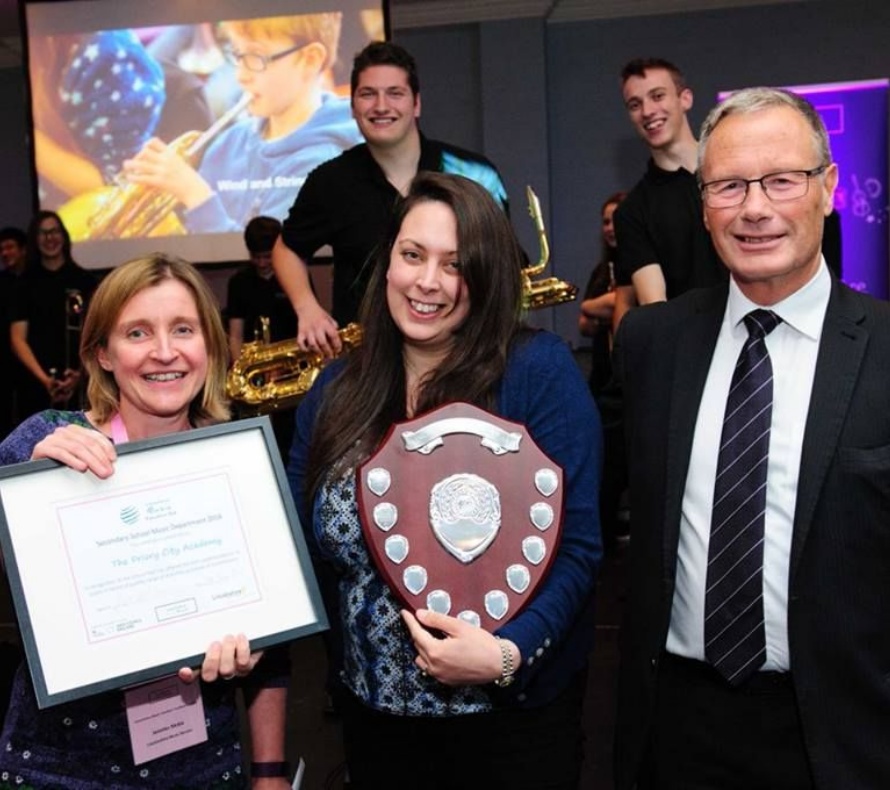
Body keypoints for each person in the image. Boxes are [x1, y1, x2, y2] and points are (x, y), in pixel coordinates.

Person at [613, 87, 890, 789]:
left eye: (782, 180)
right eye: (730, 185)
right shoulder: (651, 345)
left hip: (846, 737)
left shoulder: (885, 350)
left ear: (828, 187)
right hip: (677, 730)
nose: (755, 208)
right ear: (704, 205)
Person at [288, 172, 601, 788]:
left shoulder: (536, 373)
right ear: (388, 263)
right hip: (373, 725)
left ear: (486, 277)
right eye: (412, 255)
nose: (427, 281)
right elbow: (294, 541)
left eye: (455, 264)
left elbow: (579, 548)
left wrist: (509, 653)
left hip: (511, 728)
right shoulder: (335, 390)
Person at [0, 254, 288, 789]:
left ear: (210, 346)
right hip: (59, 769)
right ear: (102, 353)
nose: (164, 351)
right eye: (137, 332)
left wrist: (269, 772)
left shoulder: (241, 466)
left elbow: (277, 643)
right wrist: (32, 493)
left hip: (203, 767)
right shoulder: (44, 442)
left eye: (183, 329)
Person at [272, 41, 509, 358]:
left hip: (461, 355)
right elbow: (287, 249)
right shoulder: (329, 181)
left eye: (395, 93)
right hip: (366, 360)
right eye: (368, 94)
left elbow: (504, 266)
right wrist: (307, 309)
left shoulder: (475, 174)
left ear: (416, 104)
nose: (381, 106)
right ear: (352, 107)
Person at [123, 12, 363, 234]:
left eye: (256, 57)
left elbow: (271, 257)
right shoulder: (227, 144)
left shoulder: (322, 167)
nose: (241, 76)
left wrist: (194, 194)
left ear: (310, 60)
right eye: (237, 55)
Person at [611, 57, 725, 330]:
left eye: (657, 96)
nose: (647, 111)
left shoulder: (734, 172)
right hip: (694, 342)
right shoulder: (632, 212)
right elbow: (656, 307)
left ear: (685, 99)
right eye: (635, 105)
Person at [9, 211, 98, 419]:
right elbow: (17, 339)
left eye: (55, 231)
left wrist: (80, 374)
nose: (50, 238)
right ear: (35, 239)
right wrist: (45, 380)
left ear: (64, 236)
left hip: (80, 384)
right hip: (35, 386)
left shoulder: (85, 281)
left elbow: (96, 334)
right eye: (43, 233)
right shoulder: (23, 284)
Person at [227, 215, 297, 457]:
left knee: (289, 437)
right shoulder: (239, 282)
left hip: (289, 372)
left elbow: (306, 328)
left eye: (267, 256)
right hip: (255, 374)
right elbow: (235, 334)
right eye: (255, 256)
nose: (261, 263)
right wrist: (242, 371)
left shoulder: (294, 277)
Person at [578, 191, 625, 397]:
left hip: (629, 379)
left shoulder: (640, 268)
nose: (610, 228)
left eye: (615, 221)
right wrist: (603, 313)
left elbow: (616, 302)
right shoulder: (600, 271)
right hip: (601, 380)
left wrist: (593, 308)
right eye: (606, 222)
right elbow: (583, 325)